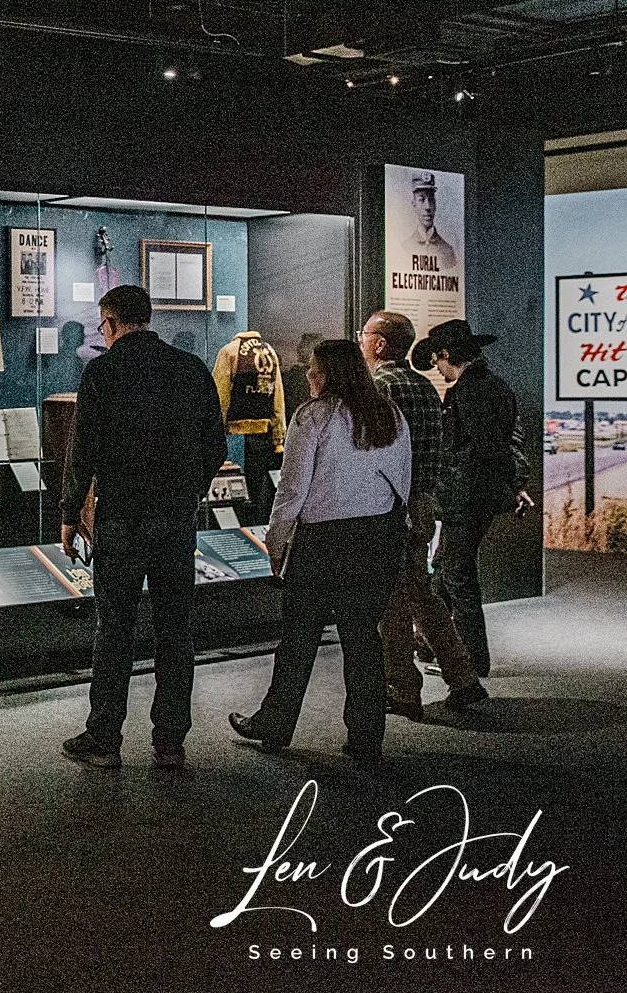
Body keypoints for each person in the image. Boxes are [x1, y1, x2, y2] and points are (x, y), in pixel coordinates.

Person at [59, 285, 227, 771]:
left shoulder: (104, 371)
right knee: (176, 628)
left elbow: (82, 449)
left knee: (115, 627)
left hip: (122, 515)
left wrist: (72, 515)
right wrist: (189, 490)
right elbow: (215, 443)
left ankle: (105, 737)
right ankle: (171, 741)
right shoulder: (189, 368)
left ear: (110, 323)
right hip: (176, 518)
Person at [229, 340, 412, 764]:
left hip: (322, 542)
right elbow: (403, 475)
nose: (309, 376)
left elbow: (292, 490)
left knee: (298, 637)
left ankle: (275, 724)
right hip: (376, 537)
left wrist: (276, 543)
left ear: (329, 373)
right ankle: (367, 735)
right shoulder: (388, 413)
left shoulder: (313, 416)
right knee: (363, 637)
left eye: (314, 369)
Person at [358, 311, 488, 715]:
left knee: (391, 602)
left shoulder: (380, 387)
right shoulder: (426, 388)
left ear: (379, 344)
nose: (360, 341)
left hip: (390, 505)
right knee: (423, 594)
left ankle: (402, 689)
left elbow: (370, 452)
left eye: (364, 334)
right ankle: (463, 677)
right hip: (424, 502)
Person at [413, 319, 533, 678]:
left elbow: (487, 447)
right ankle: (437, 646)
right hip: (475, 495)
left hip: (467, 496)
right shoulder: (496, 386)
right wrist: (514, 486)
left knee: (457, 576)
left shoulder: (468, 392)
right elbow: (509, 442)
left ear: (447, 354)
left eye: (437, 360)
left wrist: (509, 488)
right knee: (444, 572)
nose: (437, 368)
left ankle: (472, 660)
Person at [408, 174, 459, 270]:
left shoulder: (447, 251)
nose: (427, 207)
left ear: (435, 204)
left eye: (431, 200)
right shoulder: (404, 248)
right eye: (421, 200)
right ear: (413, 205)